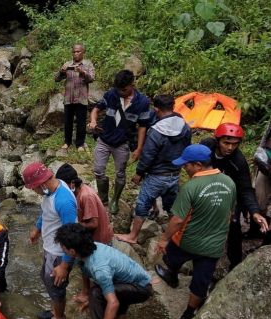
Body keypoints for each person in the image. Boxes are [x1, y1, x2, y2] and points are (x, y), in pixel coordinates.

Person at [154, 144, 236, 319]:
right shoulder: (229, 182)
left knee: (171, 254)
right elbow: (230, 214)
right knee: (201, 281)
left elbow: (177, 220)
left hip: (188, 241)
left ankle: (172, 276)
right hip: (213, 246)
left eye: (186, 165)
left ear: (198, 165)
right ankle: (188, 314)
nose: (184, 168)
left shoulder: (191, 186)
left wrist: (164, 239)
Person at [56, 223, 152, 319]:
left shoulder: (99, 267)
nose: (62, 249)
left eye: (63, 247)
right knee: (94, 296)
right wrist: (86, 295)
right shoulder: (88, 249)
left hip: (141, 288)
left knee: (96, 294)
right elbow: (86, 271)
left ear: (72, 251)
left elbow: (113, 302)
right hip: (125, 282)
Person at [116, 95, 191, 245]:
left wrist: (139, 173)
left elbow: (148, 155)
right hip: (174, 174)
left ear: (156, 109)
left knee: (143, 203)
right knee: (172, 206)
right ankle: (175, 236)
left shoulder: (156, 131)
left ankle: (133, 235)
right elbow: (186, 148)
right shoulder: (185, 126)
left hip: (157, 175)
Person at [200, 123, 269, 270]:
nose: (230, 148)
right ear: (217, 140)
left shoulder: (238, 161)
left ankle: (235, 263)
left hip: (230, 196)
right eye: (226, 143)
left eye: (235, 144)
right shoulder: (206, 147)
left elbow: (245, 189)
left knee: (234, 227)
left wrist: (254, 212)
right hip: (206, 188)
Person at [22, 162, 77, 319]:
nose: (33, 191)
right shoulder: (51, 190)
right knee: (46, 278)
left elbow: (72, 235)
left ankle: (59, 318)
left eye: (34, 188)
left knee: (55, 285)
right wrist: (37, 228)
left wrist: (65, 265)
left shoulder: (64, 201)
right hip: (50, 247)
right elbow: (45, 212)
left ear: (43, 184)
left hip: (60, 252)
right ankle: (55, 310)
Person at [90, 69, 152, 214]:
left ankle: (115, 200)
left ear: (132, 85)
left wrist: (139, 148)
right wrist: (93, 120)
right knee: (99, 170)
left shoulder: (142, 102)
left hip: (123, 142)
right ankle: (103, 199)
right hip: (104, 139)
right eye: (119, 89)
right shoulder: (111, 94)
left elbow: (143, 126)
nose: (121, 93)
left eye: (124, 90)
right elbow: (96, 109)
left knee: (120, 173)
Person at [55, 163, 113, 244]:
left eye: (64, 186)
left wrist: (73, 225)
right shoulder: (75, 193)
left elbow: (93, 224)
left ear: (72, 183)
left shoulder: (86, 196)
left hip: (100, 241)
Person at [55, 44, 95, 152]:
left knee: (81, 122)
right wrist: (61, 71)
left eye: (78, 52)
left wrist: (83, 72)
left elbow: (92, 78)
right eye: (74, 52)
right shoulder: (67, 64)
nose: (76, 53)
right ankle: (67, 142)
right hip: (68, 98)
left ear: (83, 52)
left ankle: (80, 144)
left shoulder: (88, 64)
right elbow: (57, 79)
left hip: (81, 98)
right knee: (68, 122)